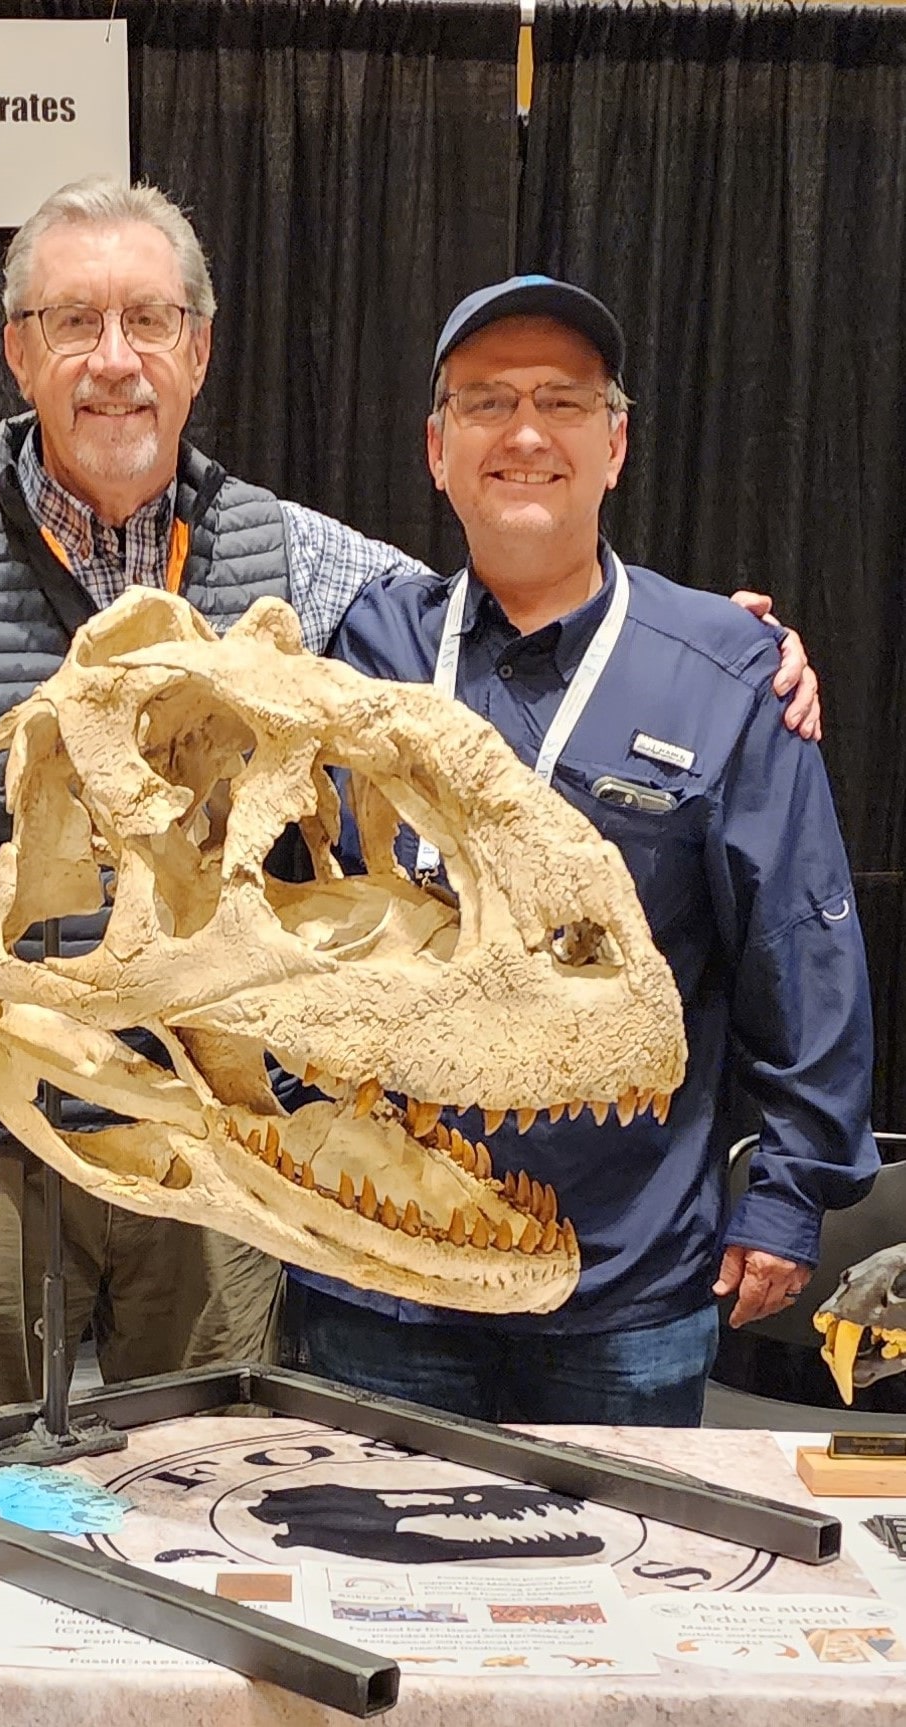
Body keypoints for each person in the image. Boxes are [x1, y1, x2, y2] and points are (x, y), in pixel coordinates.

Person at [0, 171, 820, 1409]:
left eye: (150, 321)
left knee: (207, 1489)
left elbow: (509, 580)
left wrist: (720, 639)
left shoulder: (304, 557)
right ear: (20, 354)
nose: (114, 360)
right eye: (75, 323)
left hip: (225, 1142)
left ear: (201, 349)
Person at [280, 275, 879, 1427]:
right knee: (355, 1592)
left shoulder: (727, 673)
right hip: (374, 1274)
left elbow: (803, 954)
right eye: (487, 401)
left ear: (615, 443)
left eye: (562, 401)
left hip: (620, 1289)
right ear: (435, 447)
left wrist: (789, 1197)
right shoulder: (358, 650)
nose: (524, 433)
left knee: (616, 1595)